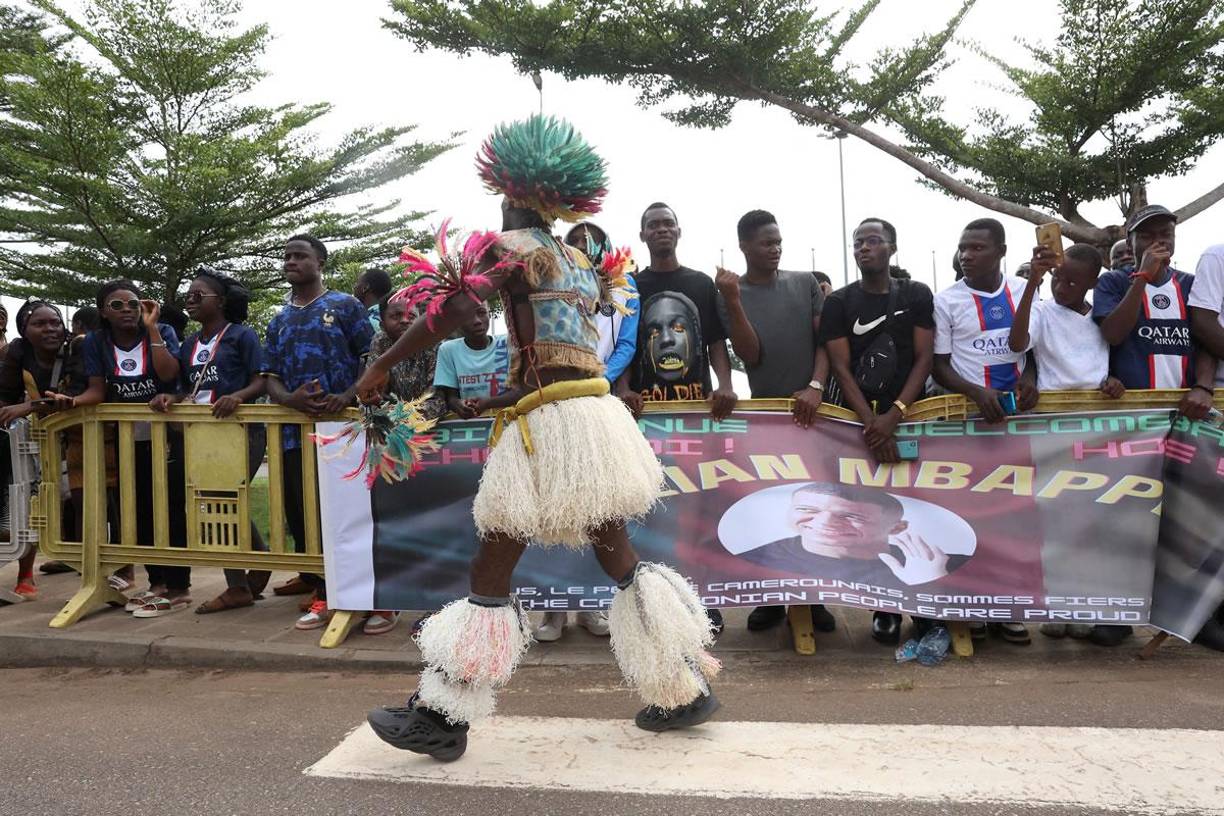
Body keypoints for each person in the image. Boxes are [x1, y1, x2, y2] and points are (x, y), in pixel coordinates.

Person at [356, 115, 720, 762]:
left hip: (552, 431)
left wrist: (381, 365)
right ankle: (679, 686)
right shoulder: (580, 261)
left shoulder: (513, 248)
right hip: (595, 424)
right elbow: (558, 358)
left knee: (490, 564)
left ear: (513, 189)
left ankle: (442, 717)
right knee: (619, 557)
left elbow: (455, 311)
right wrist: (495, 396)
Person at [1091, 205, 1209, 646]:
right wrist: (1141, 276)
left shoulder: (1190, 286)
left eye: (1166, 234)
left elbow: (1202, 341)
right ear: (1132, 239)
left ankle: (1182, 615)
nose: (1160, 241)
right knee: (1123, 516)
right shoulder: (1115, 282)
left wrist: (1201, 385)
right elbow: (1114, 335)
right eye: (1149, 235)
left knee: (1182, 520)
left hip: (1183, 422)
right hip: (1131, 425)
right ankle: (1116, 611)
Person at [820, 217, 936, 645]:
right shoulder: (840, 303)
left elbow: (924, 358)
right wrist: (871, 424)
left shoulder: (916, 294)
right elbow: (840, 367)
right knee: (872, 513)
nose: (863, 248)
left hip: (911, 417)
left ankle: (925, 609)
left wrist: (897, 414)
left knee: (918, 512)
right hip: (860, 425)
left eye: (872, 241)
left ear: (892, 247)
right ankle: (884, 606)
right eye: (857, 242)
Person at [715, 209, 831, 636]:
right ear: (744, 245)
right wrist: (731, 300)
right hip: (765, 419)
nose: (776, 248)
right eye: (766, 242)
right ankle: (770, 597)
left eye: (778, 241)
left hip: (815, 418)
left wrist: (816, 386)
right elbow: (751, 355)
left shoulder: (804, 284)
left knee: (815, 505)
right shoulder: (731, 291)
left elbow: (825, 344)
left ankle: (814, 598)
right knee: (771, 508)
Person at [625, 202, 738, 635]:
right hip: (645, 420)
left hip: (695, 416)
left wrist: (725, 384)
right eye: (652, 225)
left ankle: (704, 602)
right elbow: (623, 348)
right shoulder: (629, 286)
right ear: (643, 236)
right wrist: (621, 391)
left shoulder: (700, 283)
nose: (661, 230)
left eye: (667, 223)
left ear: (679, 230)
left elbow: (714, 344)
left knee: (698, 512)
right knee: (652, 514)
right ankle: (654, 605)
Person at [526, 220, 642, 642]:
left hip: (593, 403)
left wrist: (598, 380)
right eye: (573, 242)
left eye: (590, 243)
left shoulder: (621, 286)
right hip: (549, 403)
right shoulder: (541, 269)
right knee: (550, 518)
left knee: (598, 517)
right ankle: (553, 611)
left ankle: (597, 608)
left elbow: (626, 343)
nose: (581, 248)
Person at [262, 234, 374, 630]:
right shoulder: (278, 319)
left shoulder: (345, 305)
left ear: (320, 261)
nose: (291, 261)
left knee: (346, 513)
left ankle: (359, 594)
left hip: (343, 429)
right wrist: (291, 399)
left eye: (300, 255)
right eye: (287, 256)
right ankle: (322, 585)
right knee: (303, 512)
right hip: (295, 433)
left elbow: (371, 358)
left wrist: (346, 395)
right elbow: (269, 379)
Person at [933, 217, 1034, 645]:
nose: (966, 256)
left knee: (1013, 518)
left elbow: (1032, 349)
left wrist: (1033, 381)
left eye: (977, 248)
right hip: (967, 425)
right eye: (962, 248)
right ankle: (972, 605)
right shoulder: (947, 300)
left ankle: (1008, 608)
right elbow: (939, 367)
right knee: (968, 515)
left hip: (1016, 425)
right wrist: (976, 392)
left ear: (1001, 252)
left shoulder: (1023, 291)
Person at [62, 281, 190, 616]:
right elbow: (97, 391)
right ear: (103, 311)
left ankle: (179, 586)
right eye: (116, 305)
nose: (127, 311)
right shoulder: (95, 342)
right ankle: (157, 582)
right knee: (139, 509)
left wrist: (152, 330)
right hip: (126, 437)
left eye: (133, 304)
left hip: (167, 434)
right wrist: (70, 402)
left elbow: (170, 375)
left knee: (171, 506)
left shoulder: (160, 331)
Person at [148, 269, 271, 615]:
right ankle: (257, 567)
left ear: (221, 301)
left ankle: (237, 587)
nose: (190, 300)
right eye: (188, 295)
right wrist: (172, 399)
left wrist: (240, 397)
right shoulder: (189, 343)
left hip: (239, 431)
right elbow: (188, 386)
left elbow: (260, 379)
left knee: (222, 501)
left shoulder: (242, 336)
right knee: (219, 501)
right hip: (203, 433)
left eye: (198, 295)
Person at [0, 301, 79, 599]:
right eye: (40, 324)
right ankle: (25, 575)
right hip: (36, 440)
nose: (50, 329)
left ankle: (109, 571)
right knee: (30, 504)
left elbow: (79, 394)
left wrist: (28, 406)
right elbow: (5, 397)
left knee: (89, 502)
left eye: (55, 323)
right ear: (24, 329)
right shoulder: (18, 351)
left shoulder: (78, 348)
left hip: (84, 437)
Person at [739, 483, 964, 587]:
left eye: (850, 516)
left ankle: (886, 615)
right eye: (807, 510)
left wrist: (929, 583)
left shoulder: (938, 565)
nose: (824, 522)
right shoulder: (753, 559)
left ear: (897, 527)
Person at [433, 302, 516, 419]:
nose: (477, 321)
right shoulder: (448, 350)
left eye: (482, 313)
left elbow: (521, 391)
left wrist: (488, 403)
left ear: (489, 314)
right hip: (471, 425)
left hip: (508, 420)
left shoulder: (509, 343)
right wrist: (459, 405)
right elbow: (451, 397)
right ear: (456, 322)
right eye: (467, 316)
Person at [354, 267, 393, 332]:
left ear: (365, 287)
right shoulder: (392, 317)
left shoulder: (367, 323)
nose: (355, 286)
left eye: (357, 282)